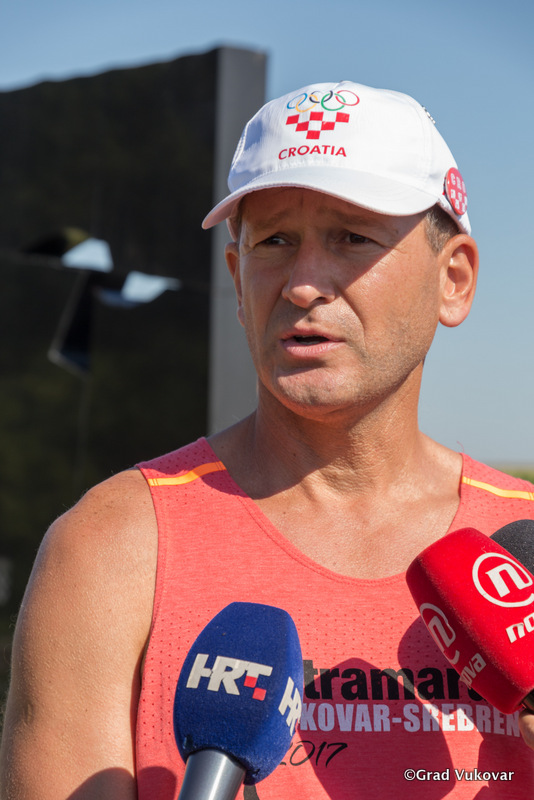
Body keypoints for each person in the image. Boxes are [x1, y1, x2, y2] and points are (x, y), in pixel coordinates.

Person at [1, 80, 534, 800]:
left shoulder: (521, 549)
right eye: (275, 241)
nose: (303, 284)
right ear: (237, 278)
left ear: (455, 280)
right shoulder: (110, 547)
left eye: (352, 237)